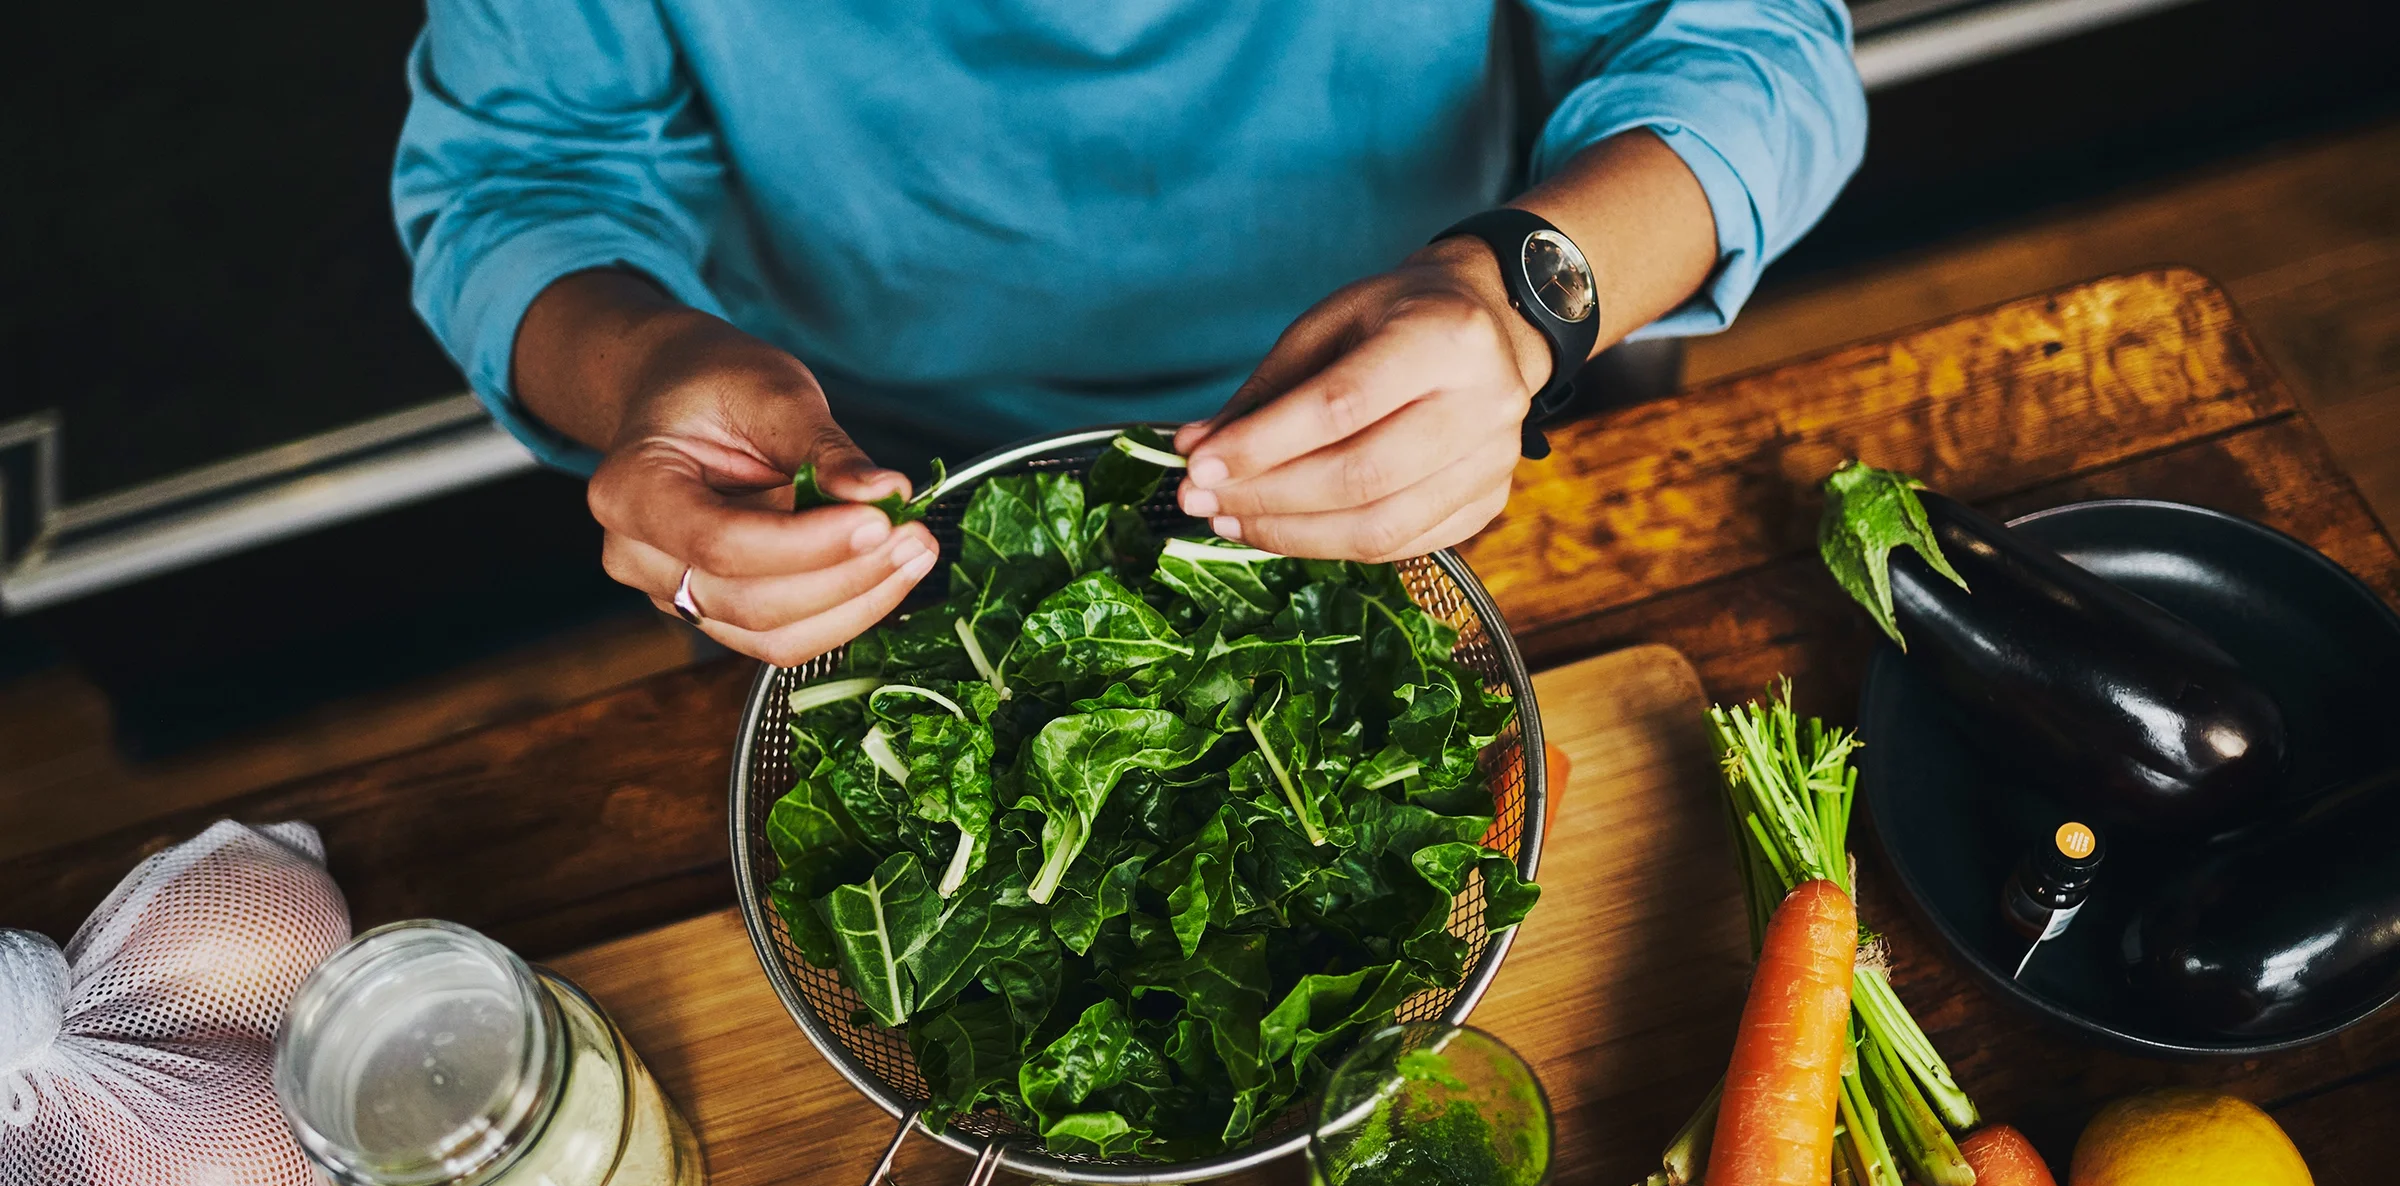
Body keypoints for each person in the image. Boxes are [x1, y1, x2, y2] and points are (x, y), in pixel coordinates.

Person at [395, 2, 1864, 667]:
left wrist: (1523, 294)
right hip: (867, 482)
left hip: (1436, 419)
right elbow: (516, 180)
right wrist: (652, 378)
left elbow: (1743, 46)